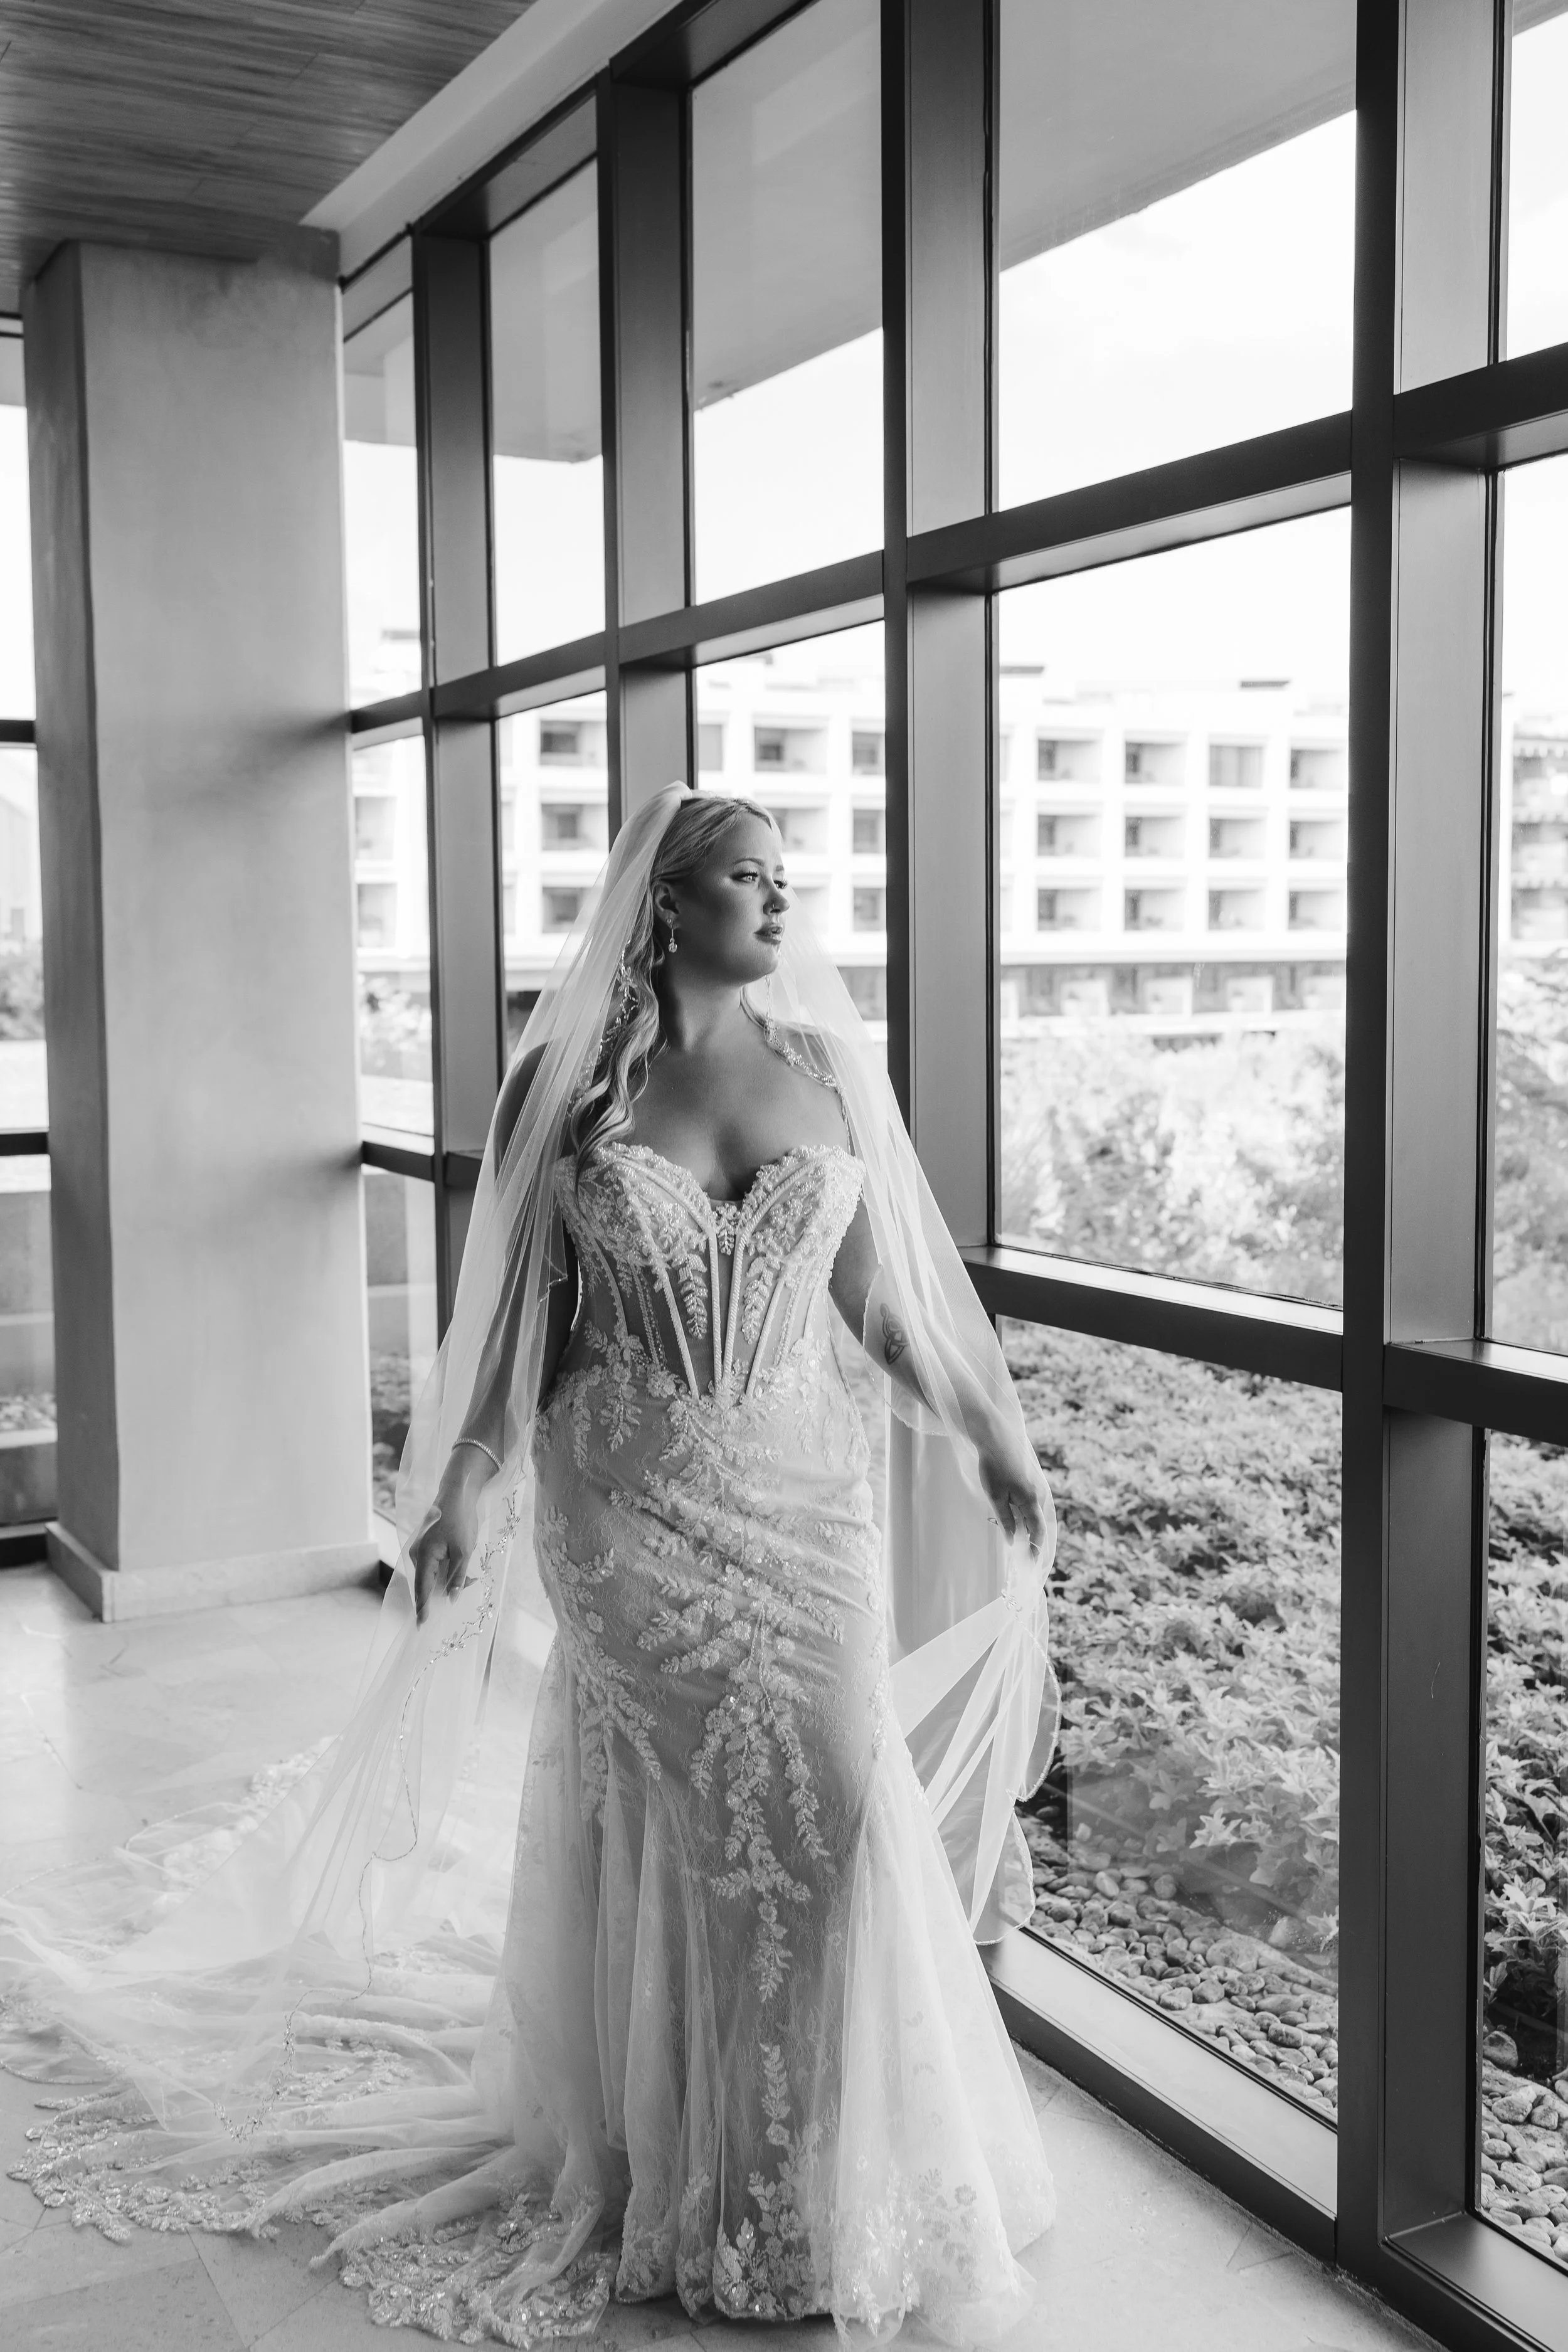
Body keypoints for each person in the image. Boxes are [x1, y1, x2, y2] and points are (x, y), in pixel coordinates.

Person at [0, 784, 1060, 2347]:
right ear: (667, 908)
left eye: (786, 883)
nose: (785, 910)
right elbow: (515, 1345)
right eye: (751, 884)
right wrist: (465, 1498)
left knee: (833, 1813)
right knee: (681, 1825)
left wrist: (989, 1437)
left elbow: (885, 1309)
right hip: (624, 1519)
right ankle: (670, 2158)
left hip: (801, 1515)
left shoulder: (831, 1073)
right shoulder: (561, 1101)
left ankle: (809, 2171)